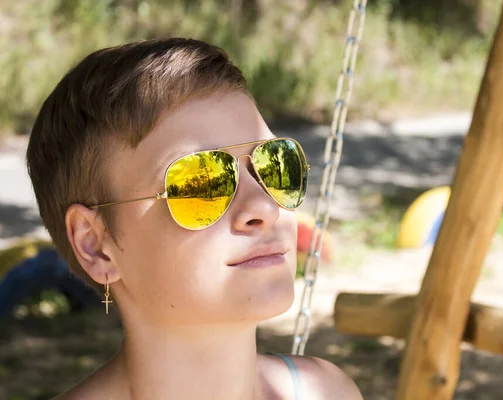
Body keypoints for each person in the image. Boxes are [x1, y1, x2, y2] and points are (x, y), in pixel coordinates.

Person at [26, 38, 363, 400]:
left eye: (274, 163)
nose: (264, 207)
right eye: (202, 183)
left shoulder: (328, 392)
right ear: (96, 246)